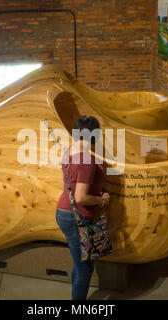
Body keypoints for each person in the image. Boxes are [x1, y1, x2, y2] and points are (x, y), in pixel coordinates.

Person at [55, 115, 110, 300]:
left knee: (79, 264)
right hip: (77, 216)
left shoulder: (68, 151)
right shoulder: (86, 160)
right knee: (85, 269)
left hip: (65, 212)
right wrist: (101, 200)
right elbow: (81, 197)